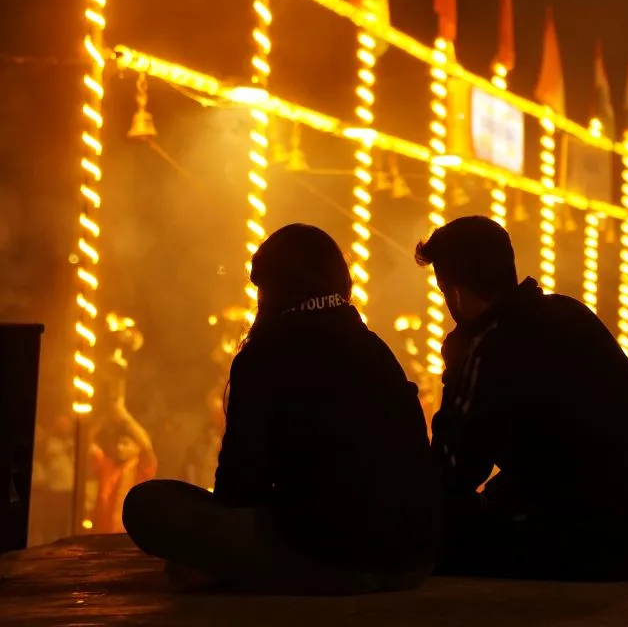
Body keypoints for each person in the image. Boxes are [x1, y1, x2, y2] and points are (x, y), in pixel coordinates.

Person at [124, 223, 441, 593]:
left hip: (330, 558)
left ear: (272, 290)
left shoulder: (265, 353)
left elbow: (239, 488)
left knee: (146, 504)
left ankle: (229, 570)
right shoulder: (374, 348)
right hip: (412, 560)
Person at [415, 215, 628, 581]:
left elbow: (453, 472)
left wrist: (456, 371)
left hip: (593, 543)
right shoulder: (570, 313)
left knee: (422, 541)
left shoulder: (490, 344)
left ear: (454, 292)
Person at [89, 398, 157, 533]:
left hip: (131, 533)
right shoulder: (108, 465)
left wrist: (124, 417)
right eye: (118, 444)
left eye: (125, 444)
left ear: (137, 448)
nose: (119, 448)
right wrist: (104, 418)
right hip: (103, 532)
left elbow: (146, 444)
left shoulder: (143, 467)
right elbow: (87, 441)